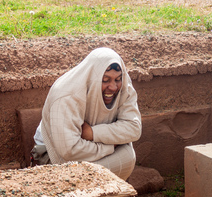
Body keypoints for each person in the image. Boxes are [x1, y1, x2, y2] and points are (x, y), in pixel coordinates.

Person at [32, 47, 142, 180]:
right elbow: (69, 151)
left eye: (117, 79)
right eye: (105, 80)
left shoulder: (124, 85)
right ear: (92, 77)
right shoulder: (66, 95)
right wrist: (112, 145)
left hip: (90, 146)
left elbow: (134, 129)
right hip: (54, 155)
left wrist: (92, 133)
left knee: (127, 154)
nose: (113, 87)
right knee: (126, 157)